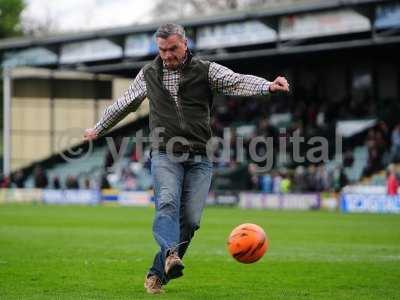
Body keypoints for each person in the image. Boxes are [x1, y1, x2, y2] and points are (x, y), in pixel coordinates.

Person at [84, 23, 289, 294]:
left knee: (190, 221)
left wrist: (268, 86)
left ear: (185, 44)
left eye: (172, 49)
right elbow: (125, 103)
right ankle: (170, 255)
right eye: (162, 50)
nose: (167, 55)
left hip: (200, 157)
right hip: (165, 153)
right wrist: (98, 128)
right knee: (167, 201)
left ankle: (158, 272)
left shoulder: (205, 70)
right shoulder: (149, 73)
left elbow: (236, 80)